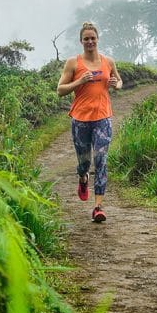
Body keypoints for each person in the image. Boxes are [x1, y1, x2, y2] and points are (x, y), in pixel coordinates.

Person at [57, 21, 123, 222]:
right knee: (84, 162)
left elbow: (119, 81)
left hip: (103, 117)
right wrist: (79, 81)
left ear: (97, 39)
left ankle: (98, 207)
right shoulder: (73, 63)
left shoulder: (108, 62)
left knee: (101, 160)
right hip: (80, 119)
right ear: (81, 41)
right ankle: (83, 177)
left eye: (92, 38)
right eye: (86, 38)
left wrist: (116, 84)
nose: (90, 41)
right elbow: (60, 90)